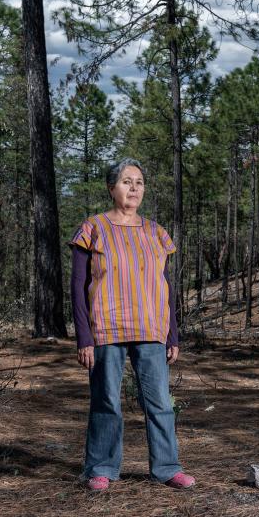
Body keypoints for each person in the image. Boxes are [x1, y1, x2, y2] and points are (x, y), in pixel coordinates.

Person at [69, 158, 195, 492]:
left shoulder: (156, 232)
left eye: (139, 182)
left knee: (160, 403)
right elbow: (77, 287)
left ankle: (167, 467)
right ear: (112, 188)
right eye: (126, 182)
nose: (134, 188)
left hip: (152, 329)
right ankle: (101, 468)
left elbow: (164, 285)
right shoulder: (93, 228)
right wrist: (83, 336)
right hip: (105, 329)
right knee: (106, 401)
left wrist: (172, 334)